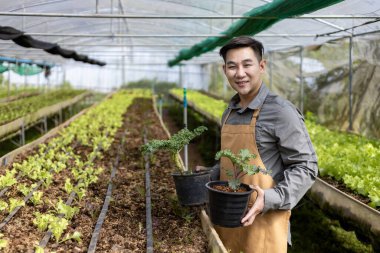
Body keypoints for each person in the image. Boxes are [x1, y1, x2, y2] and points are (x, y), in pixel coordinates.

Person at [197, 36, 318, 253]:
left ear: (261, 66)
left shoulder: (281, 112)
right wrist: (208, 177)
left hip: (264, 228)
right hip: (226, 223)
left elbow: (306, 167)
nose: (240, 73)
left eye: (247, 64)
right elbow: (232, 161)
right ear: (224, 70)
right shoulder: (230, 111)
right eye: (232, 66)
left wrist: (270, 198)